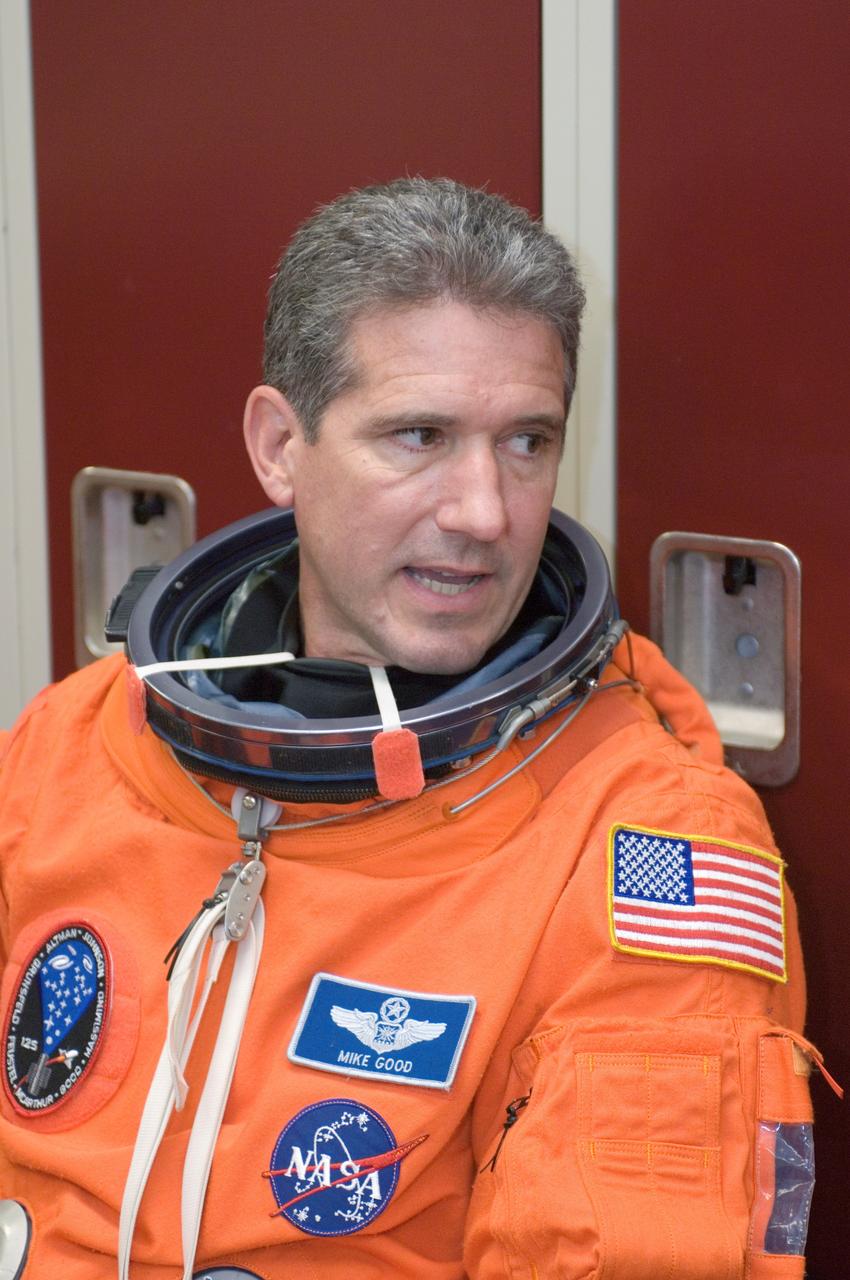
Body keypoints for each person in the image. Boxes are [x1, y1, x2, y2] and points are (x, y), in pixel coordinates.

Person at [0, 178, 828, 1280]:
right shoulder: (78, 741)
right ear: (280, 446)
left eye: (526, 441)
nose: (483, 510)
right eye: (419, 435)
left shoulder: (646, 847)